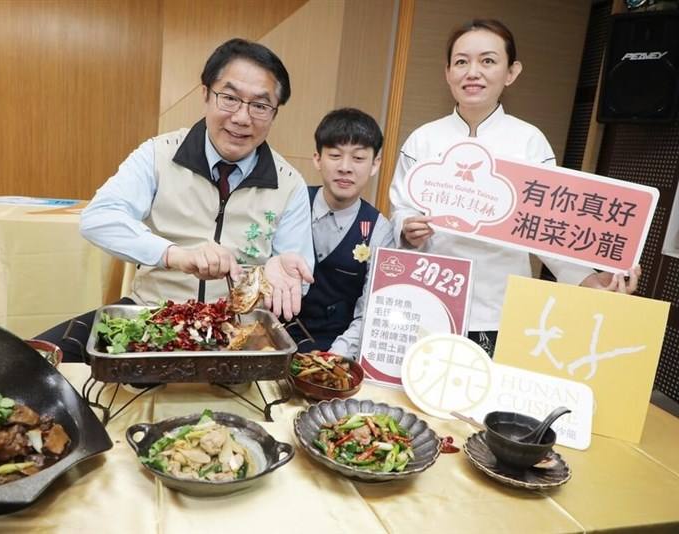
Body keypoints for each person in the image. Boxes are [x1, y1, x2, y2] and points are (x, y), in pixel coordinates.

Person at [38, 38, 314, 362]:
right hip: (150, 317)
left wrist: (267, 275)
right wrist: (174, 255)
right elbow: (99, 217)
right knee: (29, 361)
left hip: (237, 332)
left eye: (260, 106)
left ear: (274, 113)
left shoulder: (290, 184)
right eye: (229, 98)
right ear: (205, 95)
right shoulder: (158, 154)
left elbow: (295, 280)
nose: (242, 117)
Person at [389, 19, 640, 357]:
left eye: (488, 61)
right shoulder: (422, 139)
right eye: (461, 61)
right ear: (448, 71)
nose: (473, 72)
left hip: (498, 305)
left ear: (511, 72)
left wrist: (589, 279)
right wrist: (406, 227)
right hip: (429, 294)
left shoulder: (529, 142)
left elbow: (549, 228)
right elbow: (401, 205)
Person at [286, 108, 395, 360]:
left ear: (375, 164)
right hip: (275, 340)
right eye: (335, 155)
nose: (345, 168)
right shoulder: (291, 202)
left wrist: (334, 357)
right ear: (317, 158)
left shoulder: (379, 229)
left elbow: (370, 308)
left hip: (336, 348)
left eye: (358, 158)